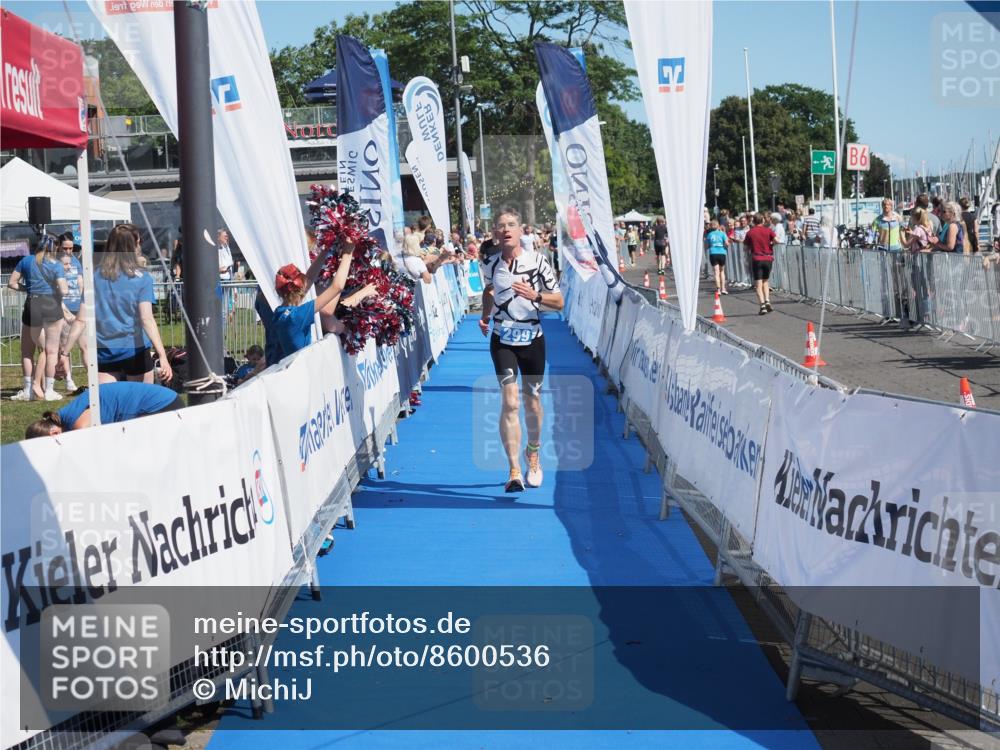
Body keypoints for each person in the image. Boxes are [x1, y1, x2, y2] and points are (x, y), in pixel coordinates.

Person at [479, 208, 563, 493]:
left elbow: (559, 302)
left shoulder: (538, 261)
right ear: (495, 233)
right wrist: (485, 316)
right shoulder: (490, 264)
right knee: (510, 402)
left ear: (520, 230)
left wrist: (535, 295)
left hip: (533, 340)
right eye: (501, 226)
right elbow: (489, 291)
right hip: (502, 340)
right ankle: (514, 470)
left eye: (511, 225)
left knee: (532, 404)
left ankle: (534, 452)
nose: (506, 230)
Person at [93, 224, 173, 386]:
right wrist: (162, 355)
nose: (140, 245)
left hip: (105, 351)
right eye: (139, 241)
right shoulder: (142, 278)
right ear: (133, 244)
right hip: (134, 351)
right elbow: (147, 319)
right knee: (141, 407)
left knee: (109, 407)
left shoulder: (96, 275)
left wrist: (66, 352)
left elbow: (84, 317)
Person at [272, 241, 375, 357]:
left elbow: (309, 279)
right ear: (299, 287)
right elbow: (337, 287)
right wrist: (348, 253)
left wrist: (327, 247)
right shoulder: (296, 316)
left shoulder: (279, 312)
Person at [8, 235, 69, 401]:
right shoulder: (56, 265)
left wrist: (27, 288)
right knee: (51, 351)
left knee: (27, 351)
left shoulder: (26, 261)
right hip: (51, 305)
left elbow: (11, 282)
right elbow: (64, 290)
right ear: (54, 248)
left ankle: (28, 389)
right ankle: (49, 390)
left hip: (32, 303)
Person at [25, 382, 183, 437]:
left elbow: (95, 442)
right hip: (165, 399)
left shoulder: (77, 425)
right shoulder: (65, 414)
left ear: (54, 433)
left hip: (163, 406)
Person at [57, 239, 87, 393]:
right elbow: (54, 290)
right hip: (63, 309)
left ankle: (93, 379)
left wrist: (84, 302)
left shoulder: (76, 261)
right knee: (64, 347)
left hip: (78, 308)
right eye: (65, 248)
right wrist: (64, 312)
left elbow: (81, 282)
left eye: (71, 248)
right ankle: (69, 380)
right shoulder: (55, 263)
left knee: (85, 346)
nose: (69, 251)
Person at [744, 213, 777, 315]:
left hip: (757, 258)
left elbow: (745, 247)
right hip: (768, 258)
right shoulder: (768, 230)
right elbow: (777, 240)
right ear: (762, 220)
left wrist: (751, 248)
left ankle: (762, 305)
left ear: (753, 221)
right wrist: (771, 245)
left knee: (758, 284)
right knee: (766, 281)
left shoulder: (750, 232)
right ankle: (767, 301)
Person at [705, 220, 729, 294]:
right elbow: (727, 243)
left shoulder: (709, 235)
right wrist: (725, 246)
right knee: (722, 271)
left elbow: (707, 246)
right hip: (722, 253)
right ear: (718, 226)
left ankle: (718, 290)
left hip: (713, 253)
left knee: (716, 272)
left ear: (711, 226)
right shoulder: (722, 234)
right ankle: (723, 288)